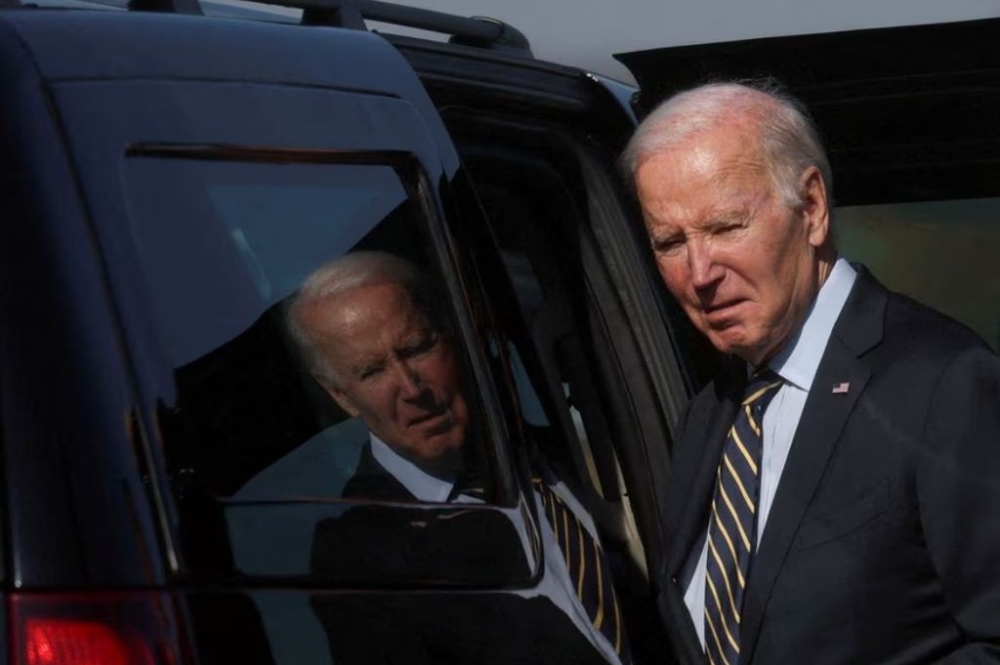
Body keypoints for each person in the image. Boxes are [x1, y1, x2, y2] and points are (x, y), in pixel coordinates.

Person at [621, 81, 1000, 664]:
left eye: (725, 227)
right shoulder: (713, 411)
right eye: (670, 242)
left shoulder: (943, 382)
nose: (699, 272)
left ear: (813, 208)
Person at [286, 250, 629, 665]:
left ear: (455, 333)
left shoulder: (566, 454)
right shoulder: (358, 562)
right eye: (372, 371)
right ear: (340, 395)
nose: (411, 389)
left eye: (416, 348)